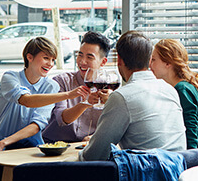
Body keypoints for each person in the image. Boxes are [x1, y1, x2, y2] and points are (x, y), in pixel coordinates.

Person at [79, 30, 186, 161]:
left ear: (119, 60)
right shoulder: (169, 90)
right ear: (149, 59)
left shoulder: (122, 96)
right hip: (177, 171)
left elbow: (94, 155)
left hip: (145, 173)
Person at [0, 37, 90, 156]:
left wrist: (4, 142)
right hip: (0, 148)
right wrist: (68, 95)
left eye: (53, 60)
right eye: (46, 58)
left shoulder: (51, 86)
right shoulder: (10, 77)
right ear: (29, 57)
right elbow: (26, 100)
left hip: (31, 149)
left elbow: (37, 125)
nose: (50, 64)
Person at [42, 31, 112, 143]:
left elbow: (113, 126)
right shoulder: (61, 81)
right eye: (80, 55)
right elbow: (62, 119)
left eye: (90, 57)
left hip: (87, 147)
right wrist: (85, 104)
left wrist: (95, 137)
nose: (82, 61)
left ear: (103, 62)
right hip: (54, 146)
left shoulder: (109, 88)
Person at [150, 39, 198, 148]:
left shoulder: (182, 90)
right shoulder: (183, 87)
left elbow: (190, 137)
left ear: (168, 63)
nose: (150, 65)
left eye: (153, 60)